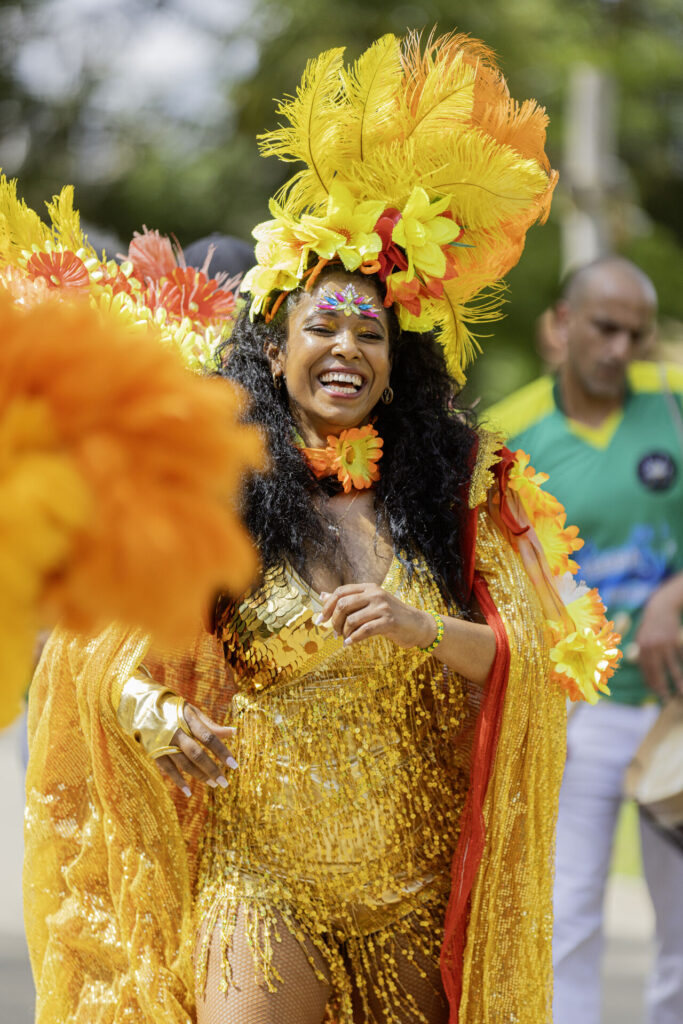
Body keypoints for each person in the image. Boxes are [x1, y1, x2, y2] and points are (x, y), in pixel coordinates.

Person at [24, 33, 618, 1024]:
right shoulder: (220, 483)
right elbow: (101, 650)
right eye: (322, 327)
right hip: (257, 879)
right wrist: (151, 713)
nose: (345, 348)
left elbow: (535, 665)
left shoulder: (465, 494)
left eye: (368, 333)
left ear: (396, 359)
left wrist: (414, 625)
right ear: (275, 345)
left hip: (413, 889)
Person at [487, 256, 683, 1024]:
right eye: (604, 327)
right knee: (564, 919)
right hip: (576, 714)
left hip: (673, 714)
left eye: (635, 334)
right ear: (561, 325)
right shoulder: (507, 437)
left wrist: (673, 595)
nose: (618, 348)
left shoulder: (670, 408)